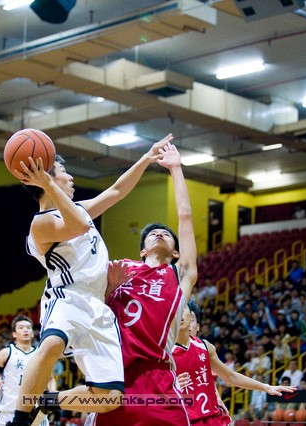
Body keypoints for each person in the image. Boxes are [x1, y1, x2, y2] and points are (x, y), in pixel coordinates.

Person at [7, 134, 175, 426]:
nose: (71, 177)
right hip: (67, 296)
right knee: (51, 344)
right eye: (64, 172)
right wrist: (47, 183)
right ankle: (19, 420)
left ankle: (49, 401)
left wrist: (147, 158)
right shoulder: (41, 223)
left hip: (98, 306)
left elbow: (117, 190)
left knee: (110, 397)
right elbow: (80, 225)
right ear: (46, 179)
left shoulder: (78, 210)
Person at [89, 142, 197, 425]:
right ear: (142, 250)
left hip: (159, 381)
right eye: (153, 234)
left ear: (176, 253)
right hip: (115, 380)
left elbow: (185, 217)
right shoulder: (120, 271)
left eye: (166, 234)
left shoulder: (179, 275)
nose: (159, 233)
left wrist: (176, 168)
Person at [174, 301, 296, 425]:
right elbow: (159, 400)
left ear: (198, 326)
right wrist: (172, 390)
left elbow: (230, 376)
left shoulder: (205, 347)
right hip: (183, 419)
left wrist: (265, 387)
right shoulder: (166, 351)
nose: (186, 320)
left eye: (191, 318)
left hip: (212, 418)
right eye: (180, 315)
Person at [0, 315, 50, 426]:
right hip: (8, 413)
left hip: (35, 413)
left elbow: (50, 379)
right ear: (14, 334)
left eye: (28, 327)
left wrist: (52, 391)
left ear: (32, 333)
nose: (25, 330)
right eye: (21, 327)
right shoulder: (5, 353)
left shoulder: (40, 354)